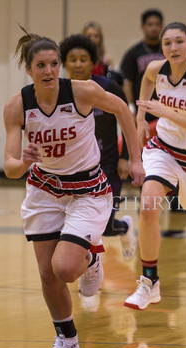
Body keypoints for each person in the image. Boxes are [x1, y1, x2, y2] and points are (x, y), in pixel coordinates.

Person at [3, 28, 144, 348]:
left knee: (65, 268)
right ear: (29, 69)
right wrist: (21, 161)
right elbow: (9, 167)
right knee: (46, 273)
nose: (49, 71)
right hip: (44, 189)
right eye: (41, 65)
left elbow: (123, 110)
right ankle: (66, 341)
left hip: (88, 189)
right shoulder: (17, 106)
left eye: (54, 64)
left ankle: (92, 258)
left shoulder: (82, 92)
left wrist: (137, 159)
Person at [123, 22, 186, 318]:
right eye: (167, 43)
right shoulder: (156, 68)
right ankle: (149, 279)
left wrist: (167, 112)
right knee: (148, 206)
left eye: (179, 42)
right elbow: (146, 82)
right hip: (164, 149)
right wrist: (141, 119)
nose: (173, 48)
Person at [60, 34, 137, 261]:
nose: (78, 64)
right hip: (74, 170)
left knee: (106, 227)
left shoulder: (108, 87)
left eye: (83, 59)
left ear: (92, 62)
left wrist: (127, 158)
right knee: (75, 225)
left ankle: (123, 227)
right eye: (72, 59)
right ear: (64, 62)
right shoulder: (58, 91)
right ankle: (89, 267)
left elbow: (127, 122)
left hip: (108, 166)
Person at [120, 9, 165, 120]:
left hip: (165, 108)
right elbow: (127, 82)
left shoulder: (169, 51)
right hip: (142, 109)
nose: (154, 28)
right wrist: (131, 108)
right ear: (142, 26)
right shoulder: (133, 53)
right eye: (150, 24)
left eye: (157, 24)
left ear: (162, 26)